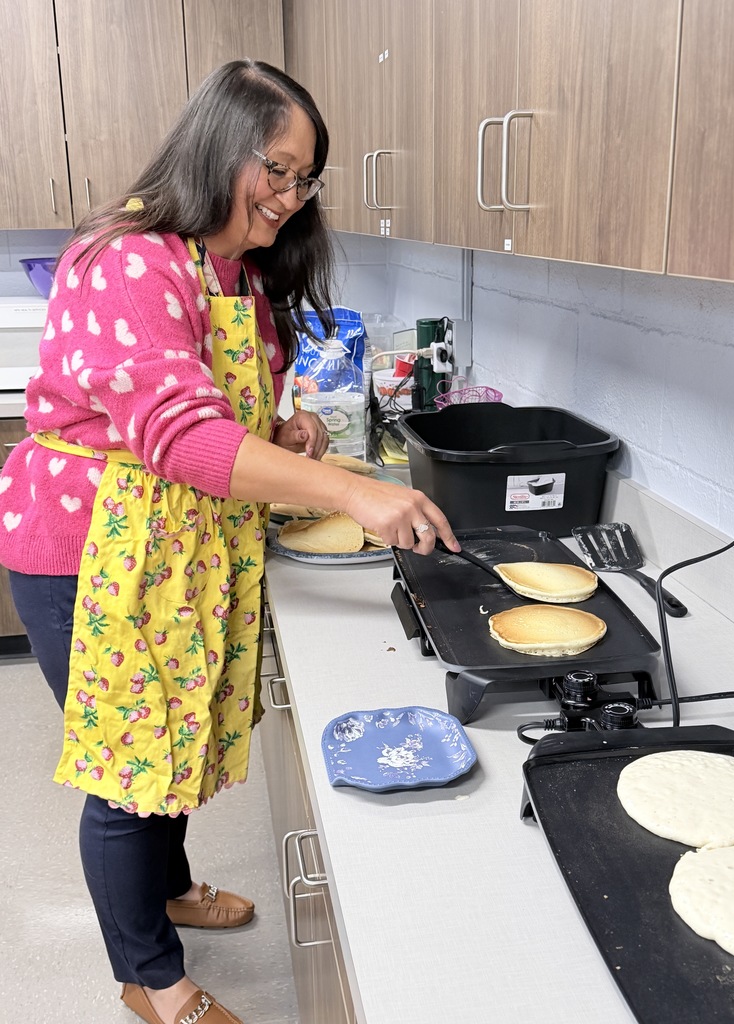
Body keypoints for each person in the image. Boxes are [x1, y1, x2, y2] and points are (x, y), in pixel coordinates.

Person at [0, 59, 459, 1024]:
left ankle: (168, 892)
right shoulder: (130, 258)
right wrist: (351, 493)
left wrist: (286, 430)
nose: (291, 200)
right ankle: (151, 979)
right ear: (219, 148)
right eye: (277, 171)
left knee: (171, 738)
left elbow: (224, 410)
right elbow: (179, 435)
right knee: (130, 772)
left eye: (306, 179)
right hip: (92, 542)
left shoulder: (234, 265)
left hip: (178, 545)